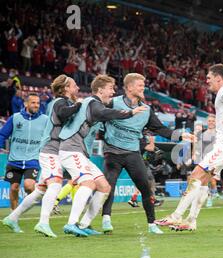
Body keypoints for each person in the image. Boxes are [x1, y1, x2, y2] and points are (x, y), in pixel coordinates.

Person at [156, 64, 223, 231]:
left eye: (209, 78)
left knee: (195, 175)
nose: (207, 81)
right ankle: (191, 221)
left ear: (219, 78)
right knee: (203, 180)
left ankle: (176, 216)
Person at [101, 73, 193, 235]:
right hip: (112, 152)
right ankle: (106, 219)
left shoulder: (146, 110)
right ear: (129, 87)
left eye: (143, 86)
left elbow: (160, 129)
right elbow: (98, 118)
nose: (143, 88)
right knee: (109, 185)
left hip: (132, 153)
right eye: (139, 85)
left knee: (145, 188)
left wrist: (181, 136)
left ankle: (152, 224)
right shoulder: (112, 103)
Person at [59, 75, 146, 237]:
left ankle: (84, 224)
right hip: (71, 149)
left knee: (104, 187)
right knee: (88, 183)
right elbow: (106, 113)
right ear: (100, 90)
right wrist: (131, 112)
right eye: (110, 89)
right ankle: (71, 223)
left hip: (79, 152)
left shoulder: (92, 104)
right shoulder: (93, 103)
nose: (113, 92)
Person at [1, 75, 81, 237]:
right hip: (49, 151)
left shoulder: (51, 109)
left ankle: (12, 217)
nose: (77, 88)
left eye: (38, 103)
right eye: (74, 85)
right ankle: (43, 222)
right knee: (55, 185)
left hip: (44, 153)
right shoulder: (59, 103)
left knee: (39, 189)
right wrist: (80, 104)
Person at [0, 93, 48, 214]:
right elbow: (2, 134)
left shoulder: (45, 120)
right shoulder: (15, 118)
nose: (36, 105)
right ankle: (13, 215)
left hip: (33, 159)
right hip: (14, 159)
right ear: (26, 104)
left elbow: (50, 137)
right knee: (14, 187)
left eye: (38, 103)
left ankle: (42, 202)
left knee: (29, 186)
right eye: (33, 102)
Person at [127, 135, 164, 208]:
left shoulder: (132, 139)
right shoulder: (139, 139)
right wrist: (152, 140)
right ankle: (153, 200)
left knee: (140, 182)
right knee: (151, 181)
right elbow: (151, 148)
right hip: (140, 163)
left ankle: (133, 199)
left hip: (134, 162)